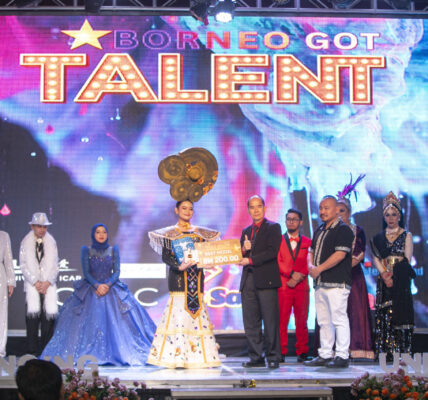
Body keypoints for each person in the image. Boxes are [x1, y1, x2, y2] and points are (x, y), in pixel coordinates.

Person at [41, 223, 156, 365]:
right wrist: (97, 285)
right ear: (93, 235)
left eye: (104, 232)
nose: (101, 235)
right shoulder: (86, 250)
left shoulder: (113, 250)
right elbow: (86, 272)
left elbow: (117, 271)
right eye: (98, 232)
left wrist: (107, 285)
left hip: (110, 287)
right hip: (91, 288)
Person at [147, 200, 221, 369]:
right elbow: (166, 256)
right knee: (179, 319)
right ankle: (178, 358)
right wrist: (179, 265)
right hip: (179, 282)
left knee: (197, 319)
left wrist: (209, 262)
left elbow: (206, 256)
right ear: (176, 210)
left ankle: (198, 358)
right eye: (184, 208)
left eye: (190, 209)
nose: (187, 211)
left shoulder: (201, 234)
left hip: (197, 282)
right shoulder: (170, 234)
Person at [304, 196, 354, 368]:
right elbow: (310, 251)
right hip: (320, 283)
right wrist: (311, 266)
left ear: (336, 209)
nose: (322, 211)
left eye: (326, 208)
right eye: (321, 208)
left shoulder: (343, 229)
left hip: (337, 282)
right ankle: (325, 354)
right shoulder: (319, 229)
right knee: (323, 321)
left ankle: (342, 355)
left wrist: (319, 268)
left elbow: (340, 255)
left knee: (339, 318)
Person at [238, 195, 282, 369]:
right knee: (251, 322)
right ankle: (256, 357)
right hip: (248, 280)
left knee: (270, 321)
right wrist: (243, 250)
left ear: (264, 208)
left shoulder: (273, 227)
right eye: (252, 207)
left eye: (259, 206)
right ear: (248, 210)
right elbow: (239, 255)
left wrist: (250, 259)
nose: (255, 210)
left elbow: (272, 252)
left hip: (266, 280)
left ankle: (273, 357)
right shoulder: (246, 231)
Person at [370, 192, 415, 359]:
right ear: (384, 217)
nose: (391, 218)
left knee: (400, 312)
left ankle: (402, 351)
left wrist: (394, 277)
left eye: (394, 214)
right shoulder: (378, 238)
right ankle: (386, 351)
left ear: (399, 216)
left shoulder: (406, 235)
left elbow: (407, 259)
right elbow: (376, 258)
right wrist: (384, 275)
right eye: (387, 215)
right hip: (384, 279)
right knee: (385, 312)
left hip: (400, 280)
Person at [337, 197, 374, 360]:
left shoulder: (357, 230)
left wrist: (343, 268)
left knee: (355, 310)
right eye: (336, 211)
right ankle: (335, 350)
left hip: (353, 276)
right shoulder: (329, 231)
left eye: (342, 211)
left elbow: (359, 254)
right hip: (334, 277)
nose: (339, 214)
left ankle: (357, 347)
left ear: (349, 212)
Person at [19, 212, 59, 356]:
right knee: (32, 319)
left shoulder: (51, 242)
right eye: (39, 226)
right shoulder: (25, 242)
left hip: (48, 287)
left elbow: (55, 265)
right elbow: (23, 265)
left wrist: (47, 282)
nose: (42, 229)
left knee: (48, 320)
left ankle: (47, 351)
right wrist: (35, 282)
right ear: (32, 226)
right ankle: (32, 351)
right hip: (33, 286)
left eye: (44, 227)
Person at [277, 208, 311, 363]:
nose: (291, 222)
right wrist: (291, 274)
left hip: (302, 286)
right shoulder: (278, 240)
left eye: (294, 219)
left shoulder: (308, 242)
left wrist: (297, 277)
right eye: (288, 219)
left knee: (302, 321)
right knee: (282, 321)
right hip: (284, 286)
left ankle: (302, 351)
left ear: (300, 222)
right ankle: (281, 351)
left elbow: (311, 262)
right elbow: (277, 261)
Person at [0, 230, 15, 358]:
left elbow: (8, 260)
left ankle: (0, 350)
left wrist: (11, 281)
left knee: (1, 314)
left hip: (0, 278)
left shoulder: (4, 236)